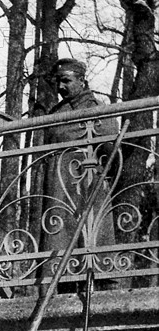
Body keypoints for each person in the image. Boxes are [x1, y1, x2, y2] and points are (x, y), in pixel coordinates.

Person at [39, 58, 118, 292]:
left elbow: (111, 150)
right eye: (58, 82)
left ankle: (100, 287)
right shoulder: (56, 112)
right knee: (59, 239)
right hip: (58, 188)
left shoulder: (97, 109)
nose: (60, 87)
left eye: (66, 81)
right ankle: (60, 287)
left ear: (82, 80)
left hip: (87, 185)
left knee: (93, 238)